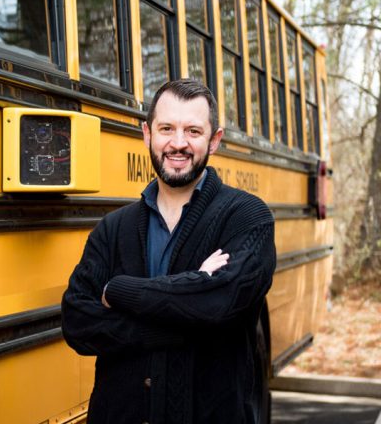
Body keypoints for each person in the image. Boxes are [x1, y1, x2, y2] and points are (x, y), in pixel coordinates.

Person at [61, 79, 276, 424]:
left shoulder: (248, 217)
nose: (178, 143)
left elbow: (223, 302)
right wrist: (195, 297)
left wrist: (118, 291)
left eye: (193, 130)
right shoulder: (113, 228)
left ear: (215, 140)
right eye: (166, 129)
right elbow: (77, 322)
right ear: (147, 134)